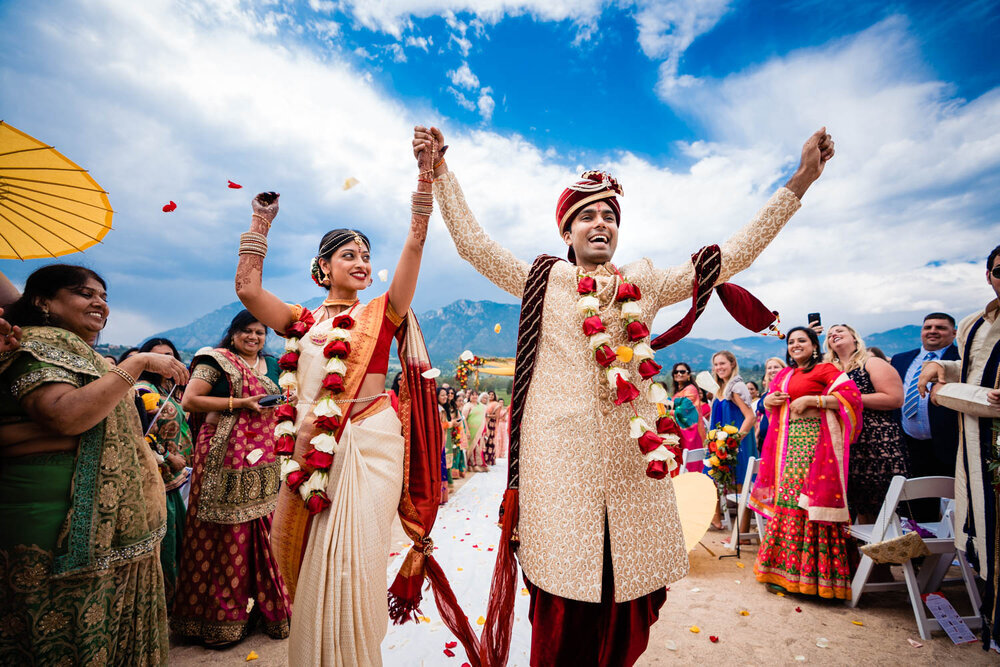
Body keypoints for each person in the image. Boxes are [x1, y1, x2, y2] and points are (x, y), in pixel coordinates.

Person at [418, 122, 834, 664]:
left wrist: (799, 182)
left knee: (625, 609)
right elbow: (474, 246)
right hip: (561, 474)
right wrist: (441, 172)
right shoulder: (543, 282)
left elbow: (729, 257)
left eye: (609, 216)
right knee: (562, 607)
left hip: (634, 476)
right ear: (567, 232)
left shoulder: (645, 282)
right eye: (587, 215)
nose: (600, 224)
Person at [234, 136, 461, 664]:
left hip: (372, 444)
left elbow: (414, 250)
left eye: (365, 256)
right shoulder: (301, 322)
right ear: (323, 267)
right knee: (317, 561)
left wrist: (424, 183)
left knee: (357, 564)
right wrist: (259, 225)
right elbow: (247, 290)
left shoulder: (384, 310)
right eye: (348, 255)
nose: (360, 263)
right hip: (317, 450)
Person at [0, 264, 189, 665]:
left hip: (111, 530)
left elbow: (91, 425)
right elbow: (66, 416)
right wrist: (135, 365)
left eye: (103, 296)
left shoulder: (78, 352)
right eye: (84, 294)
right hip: (57, 525)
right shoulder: (35, 344)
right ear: (42, 301)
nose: (99, 303)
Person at [171, 311, 291, 646]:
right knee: (224, 532)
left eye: (260, 332)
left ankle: (270, 611)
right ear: (233, 333)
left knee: (266, 529)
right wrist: (240, 403)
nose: (254, 338)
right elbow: (190, 401)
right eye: (247, 331)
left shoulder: (275, 364)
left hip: (263, 458)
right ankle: (217, 619)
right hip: (223, 457)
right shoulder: (217, 360)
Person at [918, 244, 1000, 648]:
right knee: (983, 528)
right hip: (974, 448)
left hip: (987, 437)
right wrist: (940, 367)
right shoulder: (977, 324)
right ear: (989, 276)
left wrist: (942, 390)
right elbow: (972, 366)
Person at [751, 327, 862, 599]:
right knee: (788, 503)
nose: (795, 345)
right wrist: (769, 400)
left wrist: (815, 400)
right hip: (786, 448)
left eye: (802, 340)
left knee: (809, 504)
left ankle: (817, 580)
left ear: (814, 345)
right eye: (791, 342)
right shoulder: (786, 374)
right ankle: (784, 573)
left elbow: (852, 398)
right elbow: (769, 403)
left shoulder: (825, 371)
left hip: (815, 445)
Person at [825, 324, 908, 522]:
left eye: (839, 331)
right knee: (858, 503)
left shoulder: (871, 363)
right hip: (845, 443)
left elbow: (895, 399)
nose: (834, 334)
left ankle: (891, 549)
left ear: (854, 337)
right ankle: (865, 550)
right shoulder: (829, 370)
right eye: (829, 335)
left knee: (883, 504)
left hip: (877, 441)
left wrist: (849, 400)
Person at [135, 336, 193, 609]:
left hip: (176, 479)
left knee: (180, 541)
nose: (166, 361)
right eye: (159, 356)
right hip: (158, 479)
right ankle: (165, 605)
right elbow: (140, 434)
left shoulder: (167, 388)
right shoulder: (143, 390)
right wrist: (168, 457)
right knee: (166, 545)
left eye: (170, 355)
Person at [890, 313, 961, 478]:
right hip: (908, 444)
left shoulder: (961, 359)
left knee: (951, 499)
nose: (933, 331)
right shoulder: (900, 359)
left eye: (941, 328)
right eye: (928, 327)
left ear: (954, 333)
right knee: (917, 499)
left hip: (948, 445)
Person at [709, 351, 757, 529]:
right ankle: (716, 518)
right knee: (714, 478)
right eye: (716, 364)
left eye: (722, 364)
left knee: (741, 484)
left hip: (737, 443)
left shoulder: (736, 387)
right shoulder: (720, 388)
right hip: (720, 441)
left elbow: (750, 417)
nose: (719, 367)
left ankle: (742, 533)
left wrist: (735, 441)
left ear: (732, 364)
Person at [671, 362, 706, 472]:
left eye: (682, 371)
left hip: (690, 432)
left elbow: (684, 411)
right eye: (676, 372)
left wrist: (667, 412)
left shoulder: (691, 389)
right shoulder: (679, 391)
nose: (679, 374)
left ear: (688, 375)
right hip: (681, 432)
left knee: (690, 465)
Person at [755, 356, 787, 450]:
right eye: (769, 368)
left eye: (776, 367)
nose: (772, 370)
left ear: (783, 368)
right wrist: (756, 435)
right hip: (763, 438)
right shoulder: (767, 392)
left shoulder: (784, 388)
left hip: (778, 438)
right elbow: (762, 416)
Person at [466, 391, 489, 472]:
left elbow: (484, 419)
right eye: (473, 395)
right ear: (469, 396)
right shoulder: (467, 406)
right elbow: (464, 419)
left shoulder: (481, 406)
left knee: (479, 447)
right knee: (473, 447)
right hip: (471, 430)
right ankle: (472, 464)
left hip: (480, 429)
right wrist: (467, 431)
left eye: (476, 395)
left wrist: (486, 428)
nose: (475, 396)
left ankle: (480, 464)